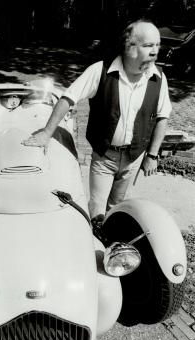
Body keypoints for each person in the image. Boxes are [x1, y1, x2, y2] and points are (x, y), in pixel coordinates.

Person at [22, 20, 171, 236]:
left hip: (133, 157)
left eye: (158, 45)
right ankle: (95, 245)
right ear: (130, 46)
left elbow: (162, 117)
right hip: (105, 156)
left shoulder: (158, 78)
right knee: (97, 208)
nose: (155, 52)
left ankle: (113, 246)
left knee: (117, 204)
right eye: (149, 45)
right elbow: (67, 98)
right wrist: (46, 133)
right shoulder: (100, 71)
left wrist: (153, 155)